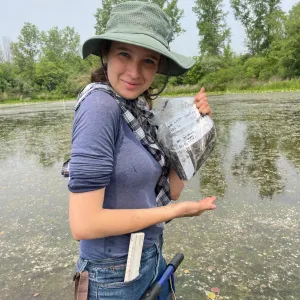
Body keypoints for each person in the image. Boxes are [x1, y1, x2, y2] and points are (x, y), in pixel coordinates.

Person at [68, 1, 217, 299]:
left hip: (149, 256)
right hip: (110, 274)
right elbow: (84, 224)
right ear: (106, 53)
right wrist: (172, 212)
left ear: (158, 66)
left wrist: (193, 130)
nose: (135, 72)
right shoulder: (100, 106)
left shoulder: (138, 111)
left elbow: (171, 189)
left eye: (148, 61)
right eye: (125, 54)